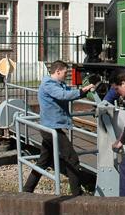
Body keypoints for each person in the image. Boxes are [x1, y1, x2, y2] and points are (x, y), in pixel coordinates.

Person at [22, 60, 97, 196]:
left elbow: (68, 92)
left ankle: (27, 189)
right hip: (52, 129)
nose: (66, 75)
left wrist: (84, 92)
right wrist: (82, 91)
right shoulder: (48, 85)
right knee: (72, 158)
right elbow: (63, 95)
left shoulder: (58, 84)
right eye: (65, 72)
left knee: (44, 161)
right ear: (58, 71)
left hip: (50, 128)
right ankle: (77, 193)